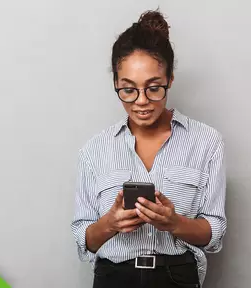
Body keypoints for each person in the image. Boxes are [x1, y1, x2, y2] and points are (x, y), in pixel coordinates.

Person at [71, 9, 227, 288]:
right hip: (113, 277)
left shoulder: (206, 142)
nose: (141, 101)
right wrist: (110, 224)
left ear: (170, 81)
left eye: (154, 88)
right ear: (116, 84)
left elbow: (214, 232)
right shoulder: (94, 150)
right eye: (128, 89)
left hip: (176, 276)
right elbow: (84, 239)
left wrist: (175, 223)